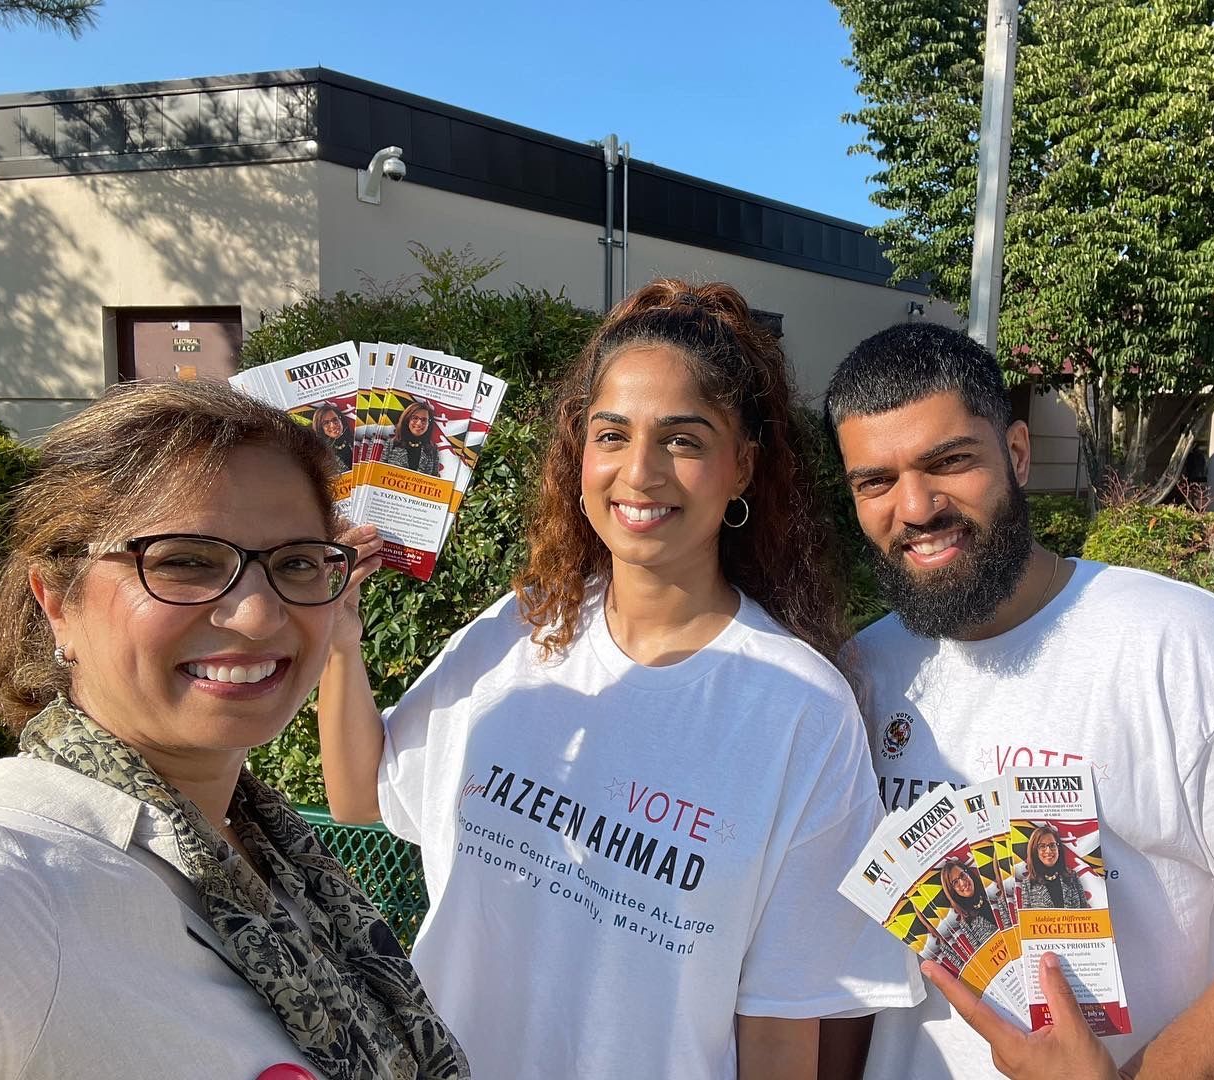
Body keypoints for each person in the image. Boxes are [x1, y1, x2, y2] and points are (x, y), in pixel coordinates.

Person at [318, 280, 919, 1080]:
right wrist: (338, 637)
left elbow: (783, 1020)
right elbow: (361, 794)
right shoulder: (517, 630)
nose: (639, 472)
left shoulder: (801, 709)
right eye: (612, 435)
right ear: (581, 455)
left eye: (682, 439)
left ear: (741, 464)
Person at [821, 322, 1214, 1080]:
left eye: (950, 462)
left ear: (1018, 455)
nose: (916, 506)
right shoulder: (860, 674)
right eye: (876, 481)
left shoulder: (1182, 645)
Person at [0, 381, 469, 1080]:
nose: (256, 615)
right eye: (185, 560)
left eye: (297, 563)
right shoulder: (24, 878)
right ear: (56, 601)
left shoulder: (277, 861)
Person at [940, 860, 998, 947]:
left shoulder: (992, 892)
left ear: (968, 874)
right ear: (952, 891)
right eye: (955, 882)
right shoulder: (964, 925)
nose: (963, 883)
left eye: (962, 875)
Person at [382, 400, 442, 477]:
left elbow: (435, 479)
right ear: (407, 419)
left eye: (424, 420)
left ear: (428, 424)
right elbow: (380, 472)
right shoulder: (391, 443)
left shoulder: (433, 449)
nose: (419, 423)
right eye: (415, 418)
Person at [312, 402, 354, 472]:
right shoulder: (322, 456)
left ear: (341, 420)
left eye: (335, 419)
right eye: (326, 423)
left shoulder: (357, 438)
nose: (333, 425)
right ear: (320, 428)